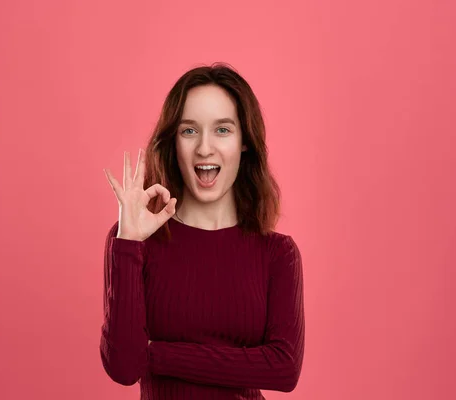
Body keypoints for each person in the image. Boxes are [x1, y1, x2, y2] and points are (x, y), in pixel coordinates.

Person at [100, 63, 305, 399]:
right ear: (173, 142)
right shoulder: (134, 241)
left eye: (222, 130)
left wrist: (156, 354)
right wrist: (128, 243)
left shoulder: (278, 254)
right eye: (189, 131)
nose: (205, 148)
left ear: (244, 142)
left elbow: (283, 368)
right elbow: (124, 367)